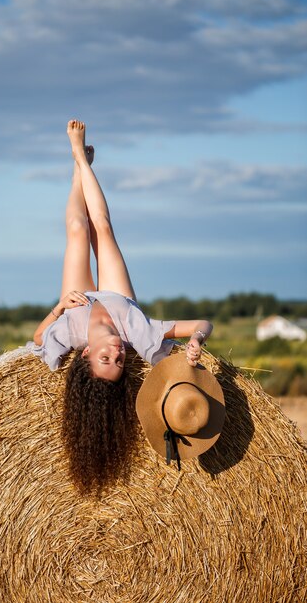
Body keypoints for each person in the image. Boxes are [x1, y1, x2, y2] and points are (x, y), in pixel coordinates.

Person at [28, 120, 213, 495]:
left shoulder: (70, 335)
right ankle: (83, 160)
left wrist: (60, 306)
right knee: (104, 229)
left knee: (78, 229)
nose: (117, 355)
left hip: (76, 300)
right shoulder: (137, 335)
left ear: (85, 357)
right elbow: (203, 323)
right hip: (118, 297)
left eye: (105, 360)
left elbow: (37, 337)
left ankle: (77, 166)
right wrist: (195, 340)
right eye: (118, 363)